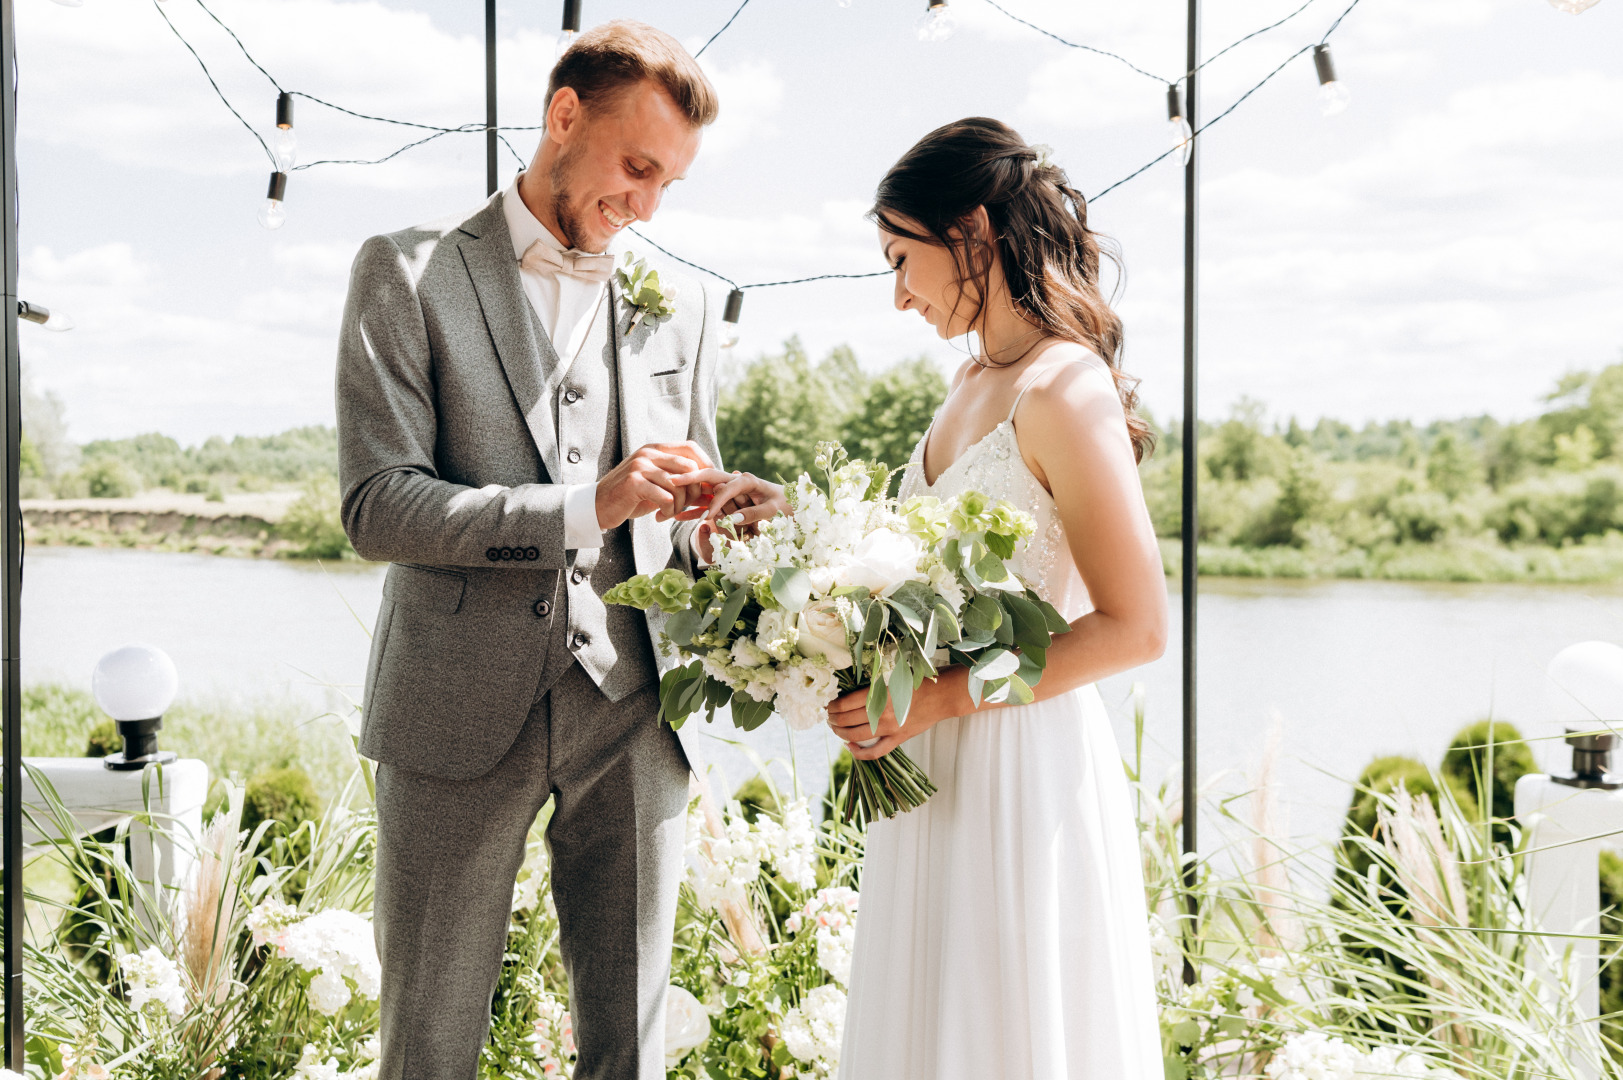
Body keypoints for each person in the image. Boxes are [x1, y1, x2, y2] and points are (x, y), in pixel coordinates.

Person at [335, 21, 784, 1080]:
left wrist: (735, 527)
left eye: (671, 181)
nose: (649, 205)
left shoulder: (679, 311)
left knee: (629, 1049)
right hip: (453, 709)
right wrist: (584, 505)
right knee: (429, 1046)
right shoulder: (409, 271)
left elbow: (680, 519)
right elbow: (379, 505)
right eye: (638, 167)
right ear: (563, 115)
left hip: (636, 708)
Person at [827, 117, 1169, 1079]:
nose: (897, 294)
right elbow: (922, 564)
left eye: (903, 258)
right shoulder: (971, 378)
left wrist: (935, 697)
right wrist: (802, 538)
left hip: (1019, 759)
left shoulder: (1064, 389)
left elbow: (1136, 628)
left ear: (970, 234)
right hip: (931, 763)